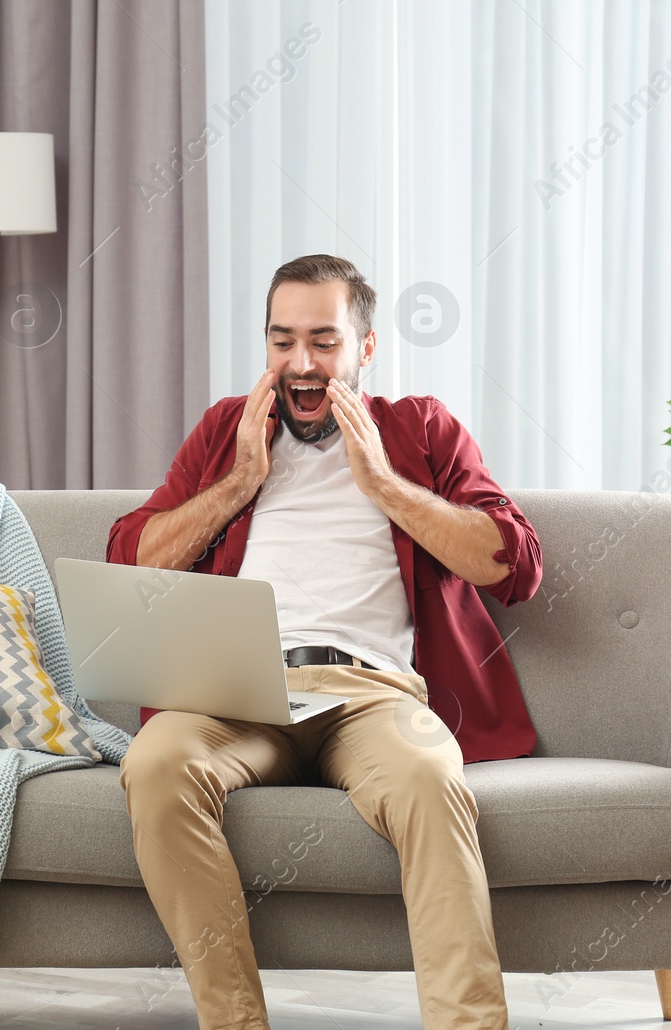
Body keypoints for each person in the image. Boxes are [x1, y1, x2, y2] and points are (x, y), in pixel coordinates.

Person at [106, 254, 543, 1030]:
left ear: (365, 349)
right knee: (156, 763)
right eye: (281, 342)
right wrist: (239, 483)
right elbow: (131, 561)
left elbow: (514, 565)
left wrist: (381, 484)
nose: (300, 365)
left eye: (323, 342)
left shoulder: (421, 427)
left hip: (371, 694)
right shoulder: (227, 431)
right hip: (237, 690)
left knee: (431, 784)